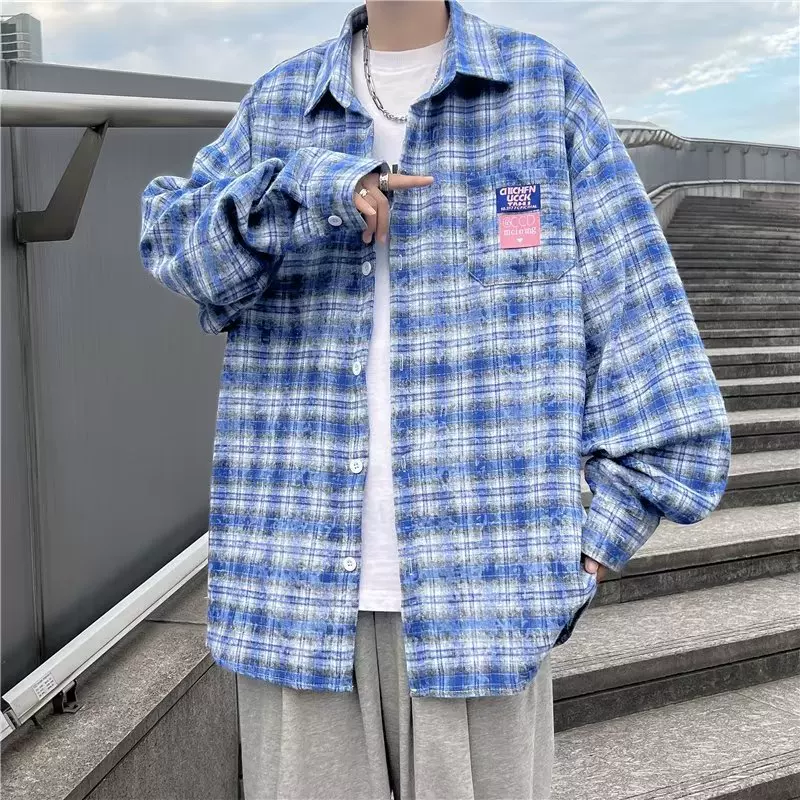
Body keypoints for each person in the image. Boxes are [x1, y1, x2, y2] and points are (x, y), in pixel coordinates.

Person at [138, 0, 732, 797]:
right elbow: (176, 248)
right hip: (293, 591)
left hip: (488, 597)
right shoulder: (281, 103)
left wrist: (600, 538)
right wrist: (306, 187)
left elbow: (642, 324)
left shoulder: (541, 90)